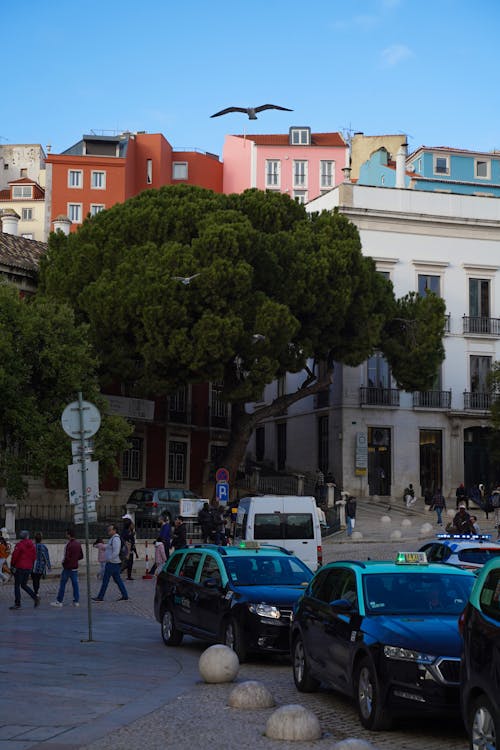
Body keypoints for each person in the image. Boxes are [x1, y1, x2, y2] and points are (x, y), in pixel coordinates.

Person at [92, 524, 129, 602]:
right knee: (118, 580)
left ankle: (100, 597)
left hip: (112, 563)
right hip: (114, 563)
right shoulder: (113, 538)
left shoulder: (115, 539)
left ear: (114, 530)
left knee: (105, 581)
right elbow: (109, 547)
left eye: (110, 529)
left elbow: (116, 551)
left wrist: (109, 559)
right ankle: (125, 595)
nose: (108, 531)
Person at [50, 528, 84, 608]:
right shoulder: (78, 544)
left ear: (69, 535)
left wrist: (64, 563)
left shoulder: (69, 545)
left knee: (63, 584)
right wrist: (75, 559)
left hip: (67, 567)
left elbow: (67, 557)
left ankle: (59, 601)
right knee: (75, 585)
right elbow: (81, 556)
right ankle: (76, 601)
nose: (66, 535)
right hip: (75, 567)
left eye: (66, 534)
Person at [9, 530, 37, 610]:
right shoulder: (32, 545)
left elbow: (15, 556)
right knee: (24, 584)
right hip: (28, 567)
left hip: (20, 567)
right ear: (27, 536)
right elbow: (34, 557)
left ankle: (17, 603)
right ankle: (35, 597)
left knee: (17, 585)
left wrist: (12, 565)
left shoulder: (19, 545)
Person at [31, 532, 51, 597]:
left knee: (34, 580)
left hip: (32, 566)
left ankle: (35, 591)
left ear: (35, 539)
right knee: (38, 579)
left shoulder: (32, 546)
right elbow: (46, 557)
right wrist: (49, 566)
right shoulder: (43, 547)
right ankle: (36, 592)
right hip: (40, 567)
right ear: (41, 539)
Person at [121, 515, 137, 581]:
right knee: (126, 563)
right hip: (127, 550)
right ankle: (118, 572)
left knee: (129, 563)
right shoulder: (126, 532)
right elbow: (127, 541)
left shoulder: (129, 532)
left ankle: (129, 576)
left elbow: (132, 542)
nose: (133, 525)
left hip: (130, 550)